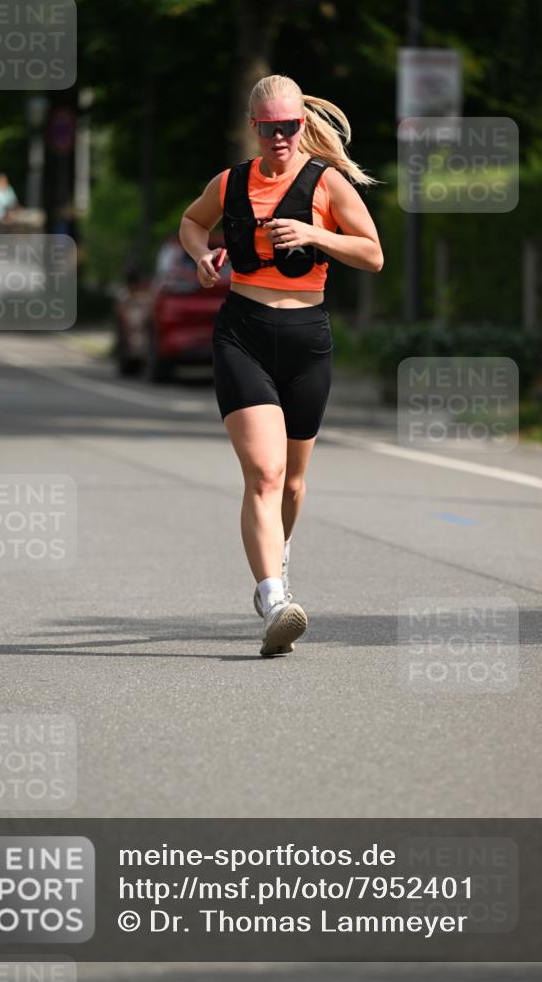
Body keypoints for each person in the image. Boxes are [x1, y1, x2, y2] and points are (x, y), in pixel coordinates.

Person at [179, 74, 383, 658]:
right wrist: (202, 256)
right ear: (255, 128)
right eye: (270, 128)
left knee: (293, 482)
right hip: (242, 332)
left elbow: (372, 253)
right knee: (264, 475)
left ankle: (279, 557)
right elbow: (192, 223)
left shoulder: (328, 184)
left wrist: (317, 233)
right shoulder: (230, 183)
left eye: (290, 126)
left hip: (307, 339)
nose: (282, 138)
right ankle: (274, 600)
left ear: (301, 123)